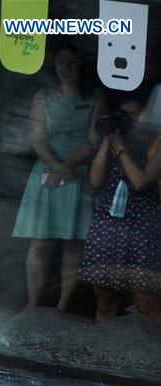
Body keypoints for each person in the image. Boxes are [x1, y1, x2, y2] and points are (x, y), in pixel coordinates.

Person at [12, 44, 104, 312]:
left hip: (79, 171)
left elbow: (94, 139)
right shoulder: (43, 96)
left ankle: (62, 305)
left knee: (73, 244)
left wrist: (67, 166)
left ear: (82, 66)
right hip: (47, 172)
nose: (66, 68)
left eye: (72, 62)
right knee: (39, 242)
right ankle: (33, 301)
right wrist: (56, 166)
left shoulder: (95, 97)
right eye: (61, 62)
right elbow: (36, 138)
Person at [80, 86, 161, 324]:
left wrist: (119, 146)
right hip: (109, 223)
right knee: (105, 298)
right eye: (124, 116)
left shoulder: (156, 144)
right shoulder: (116, 141)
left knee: (146, 302)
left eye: (135, 115)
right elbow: (94, 180)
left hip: (143, 225)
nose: (131, 121)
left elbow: (141, 181)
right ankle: (101, 353)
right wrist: (109, 139)